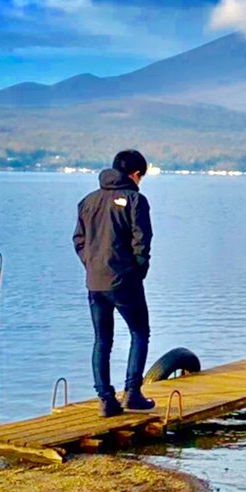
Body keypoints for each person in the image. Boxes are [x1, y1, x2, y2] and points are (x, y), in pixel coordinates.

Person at [73, 149, 156, 417]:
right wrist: (137, 271)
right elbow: (142, 241)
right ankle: (132, 393)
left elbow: (79, 240)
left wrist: (91, 264)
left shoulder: (88, 201)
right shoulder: (135, 200)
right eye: (141, 176)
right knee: (140, 332)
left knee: (102, 340)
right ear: (134, 174)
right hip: (124, 281)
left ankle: (106, 400)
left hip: (94, 282)